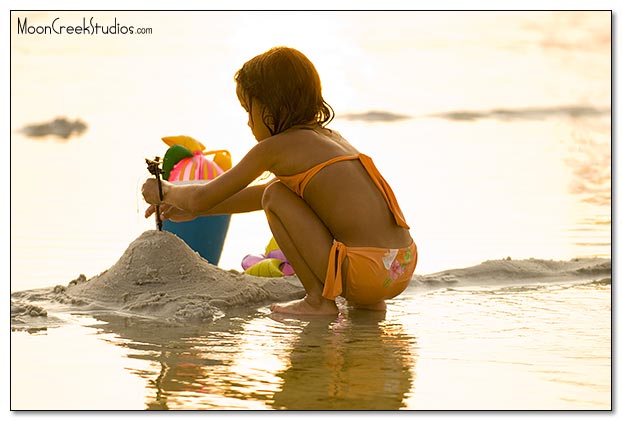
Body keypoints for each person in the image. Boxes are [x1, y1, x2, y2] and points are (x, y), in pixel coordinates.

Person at [142, 46, 417, 316]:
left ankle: (318, 300)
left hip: (365, 272)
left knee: (275, 193)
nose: (249, 123)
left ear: (272, 109)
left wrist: (164, 190)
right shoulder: (330, 139)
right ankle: (368, 305)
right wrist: (197, 211)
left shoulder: (275, 148)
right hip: (400, 265)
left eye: (249, 110)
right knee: (276, 192)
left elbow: (209, 195)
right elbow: (256, 197)